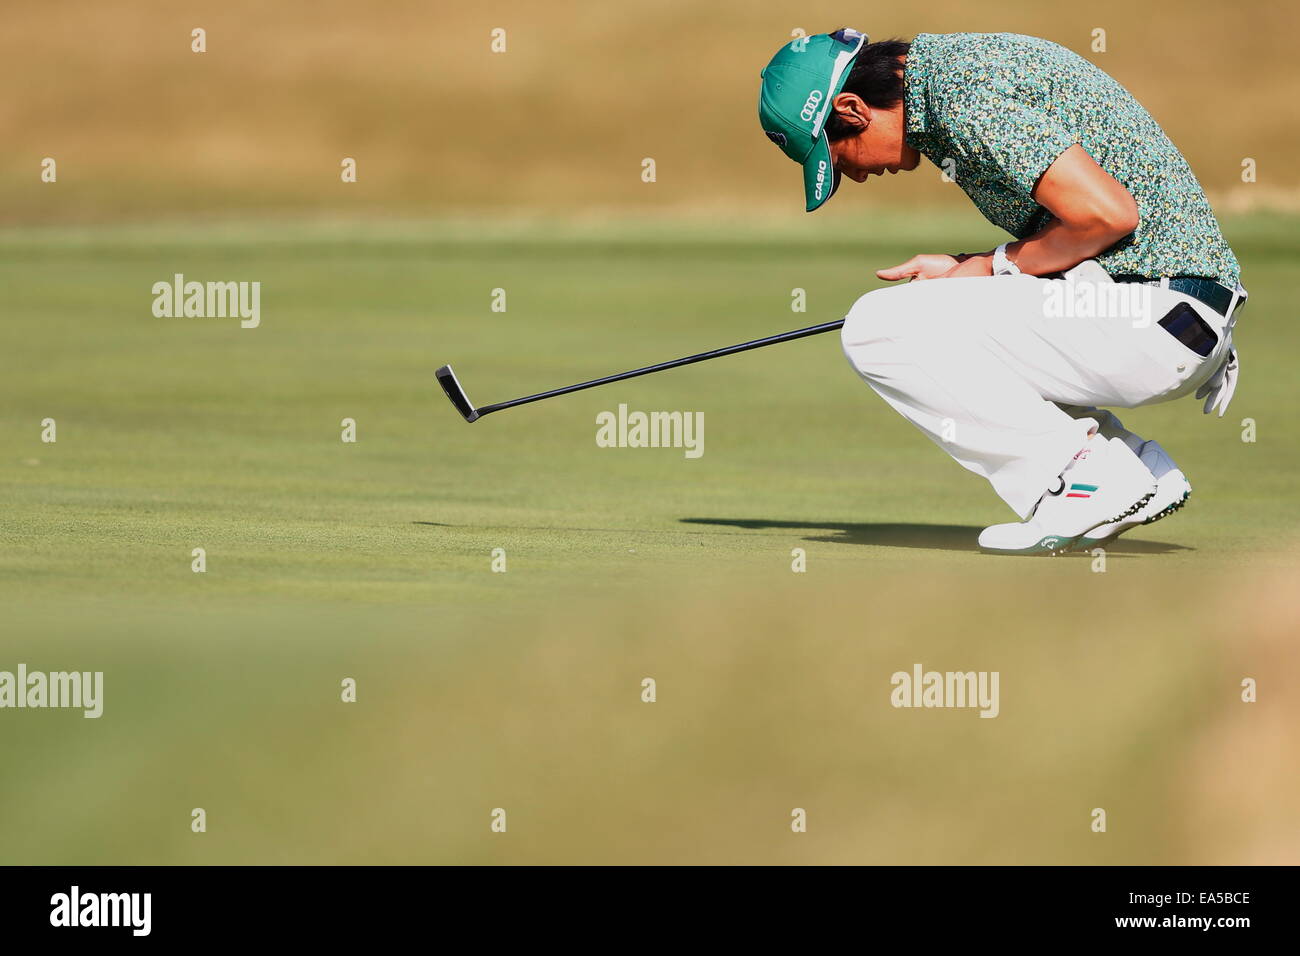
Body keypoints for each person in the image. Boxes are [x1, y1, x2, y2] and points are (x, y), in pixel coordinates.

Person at [757, 28, 1246, 554]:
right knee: (925, 317)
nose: (851, 176)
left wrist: (989, 268)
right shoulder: (950, 76)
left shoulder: (961, 92)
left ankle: (1081, 482)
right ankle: (1130, 466)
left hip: (1151, 314)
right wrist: (970, 271)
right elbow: (1079, 229)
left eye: (837, 155)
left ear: (852, 109)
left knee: (877, 328)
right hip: (1169, 311)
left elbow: (1106, 216)